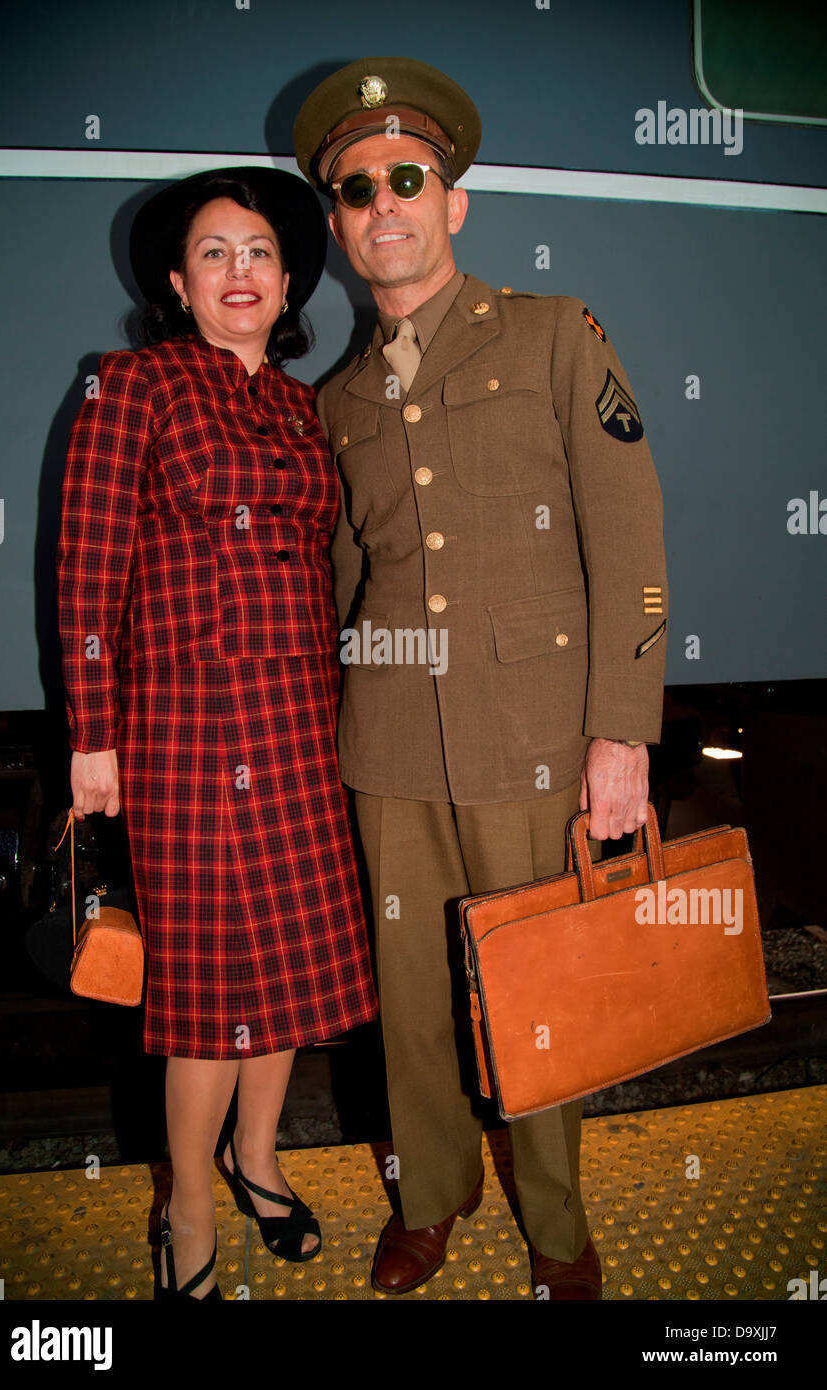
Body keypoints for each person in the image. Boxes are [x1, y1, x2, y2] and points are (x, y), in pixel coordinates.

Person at [293, 58, 668, 1299]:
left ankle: (555, 1223)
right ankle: (432, 1195)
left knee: (538, 1000)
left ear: (453, 201)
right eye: (355, 190)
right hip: (391, 746)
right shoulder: (338, 400)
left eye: (407, 179)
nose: (381, 204)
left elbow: (627, 536)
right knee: (410, 1004)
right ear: (339, 225)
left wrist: (620, 734)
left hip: (533, 736)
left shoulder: (557, 334)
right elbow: (350, 589)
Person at [56, 166, 377, 1300]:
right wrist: (94, 737)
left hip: (298, 724)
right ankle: (187, 1203)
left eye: (258, 253)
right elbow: (89, 569)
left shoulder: (303, 407)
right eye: (213, 253)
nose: (239, 271)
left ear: (288, 282)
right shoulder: (128, 387)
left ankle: (257, 1158)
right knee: (203, 990)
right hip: (184, 732)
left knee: (284, 971)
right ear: (177, 283)